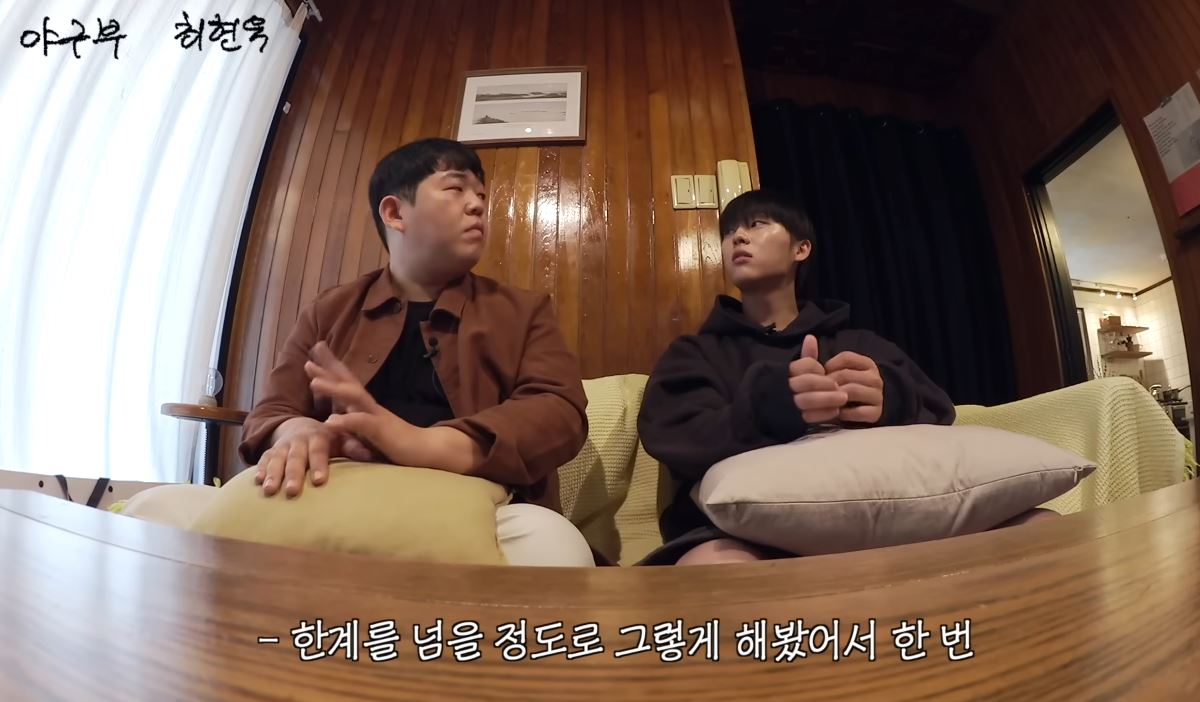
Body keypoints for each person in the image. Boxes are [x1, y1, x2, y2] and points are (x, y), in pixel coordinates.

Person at [637, 190, 1052, 567]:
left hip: (893, 521)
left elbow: (939, 409)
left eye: (756, 224)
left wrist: (890, 398)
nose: (737, 238)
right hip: (741, 535)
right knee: (716, 567)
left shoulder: (858, 342)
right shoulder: (696, 352)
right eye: (729, 232)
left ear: (801, 249)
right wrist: (769, 408)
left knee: (1043, 527)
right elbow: (673, 435)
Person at [237, 137, 594, 567]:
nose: (478, 205)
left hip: (484, 504)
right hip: (338, 489)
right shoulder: (328, 311)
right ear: (394, 213)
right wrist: (294, 431)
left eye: (481, 195)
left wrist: (422, 443)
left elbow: (559, 414)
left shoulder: (523, 310)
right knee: (171, 504)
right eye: (455, 188)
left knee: (556, 548)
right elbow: (272, 410)